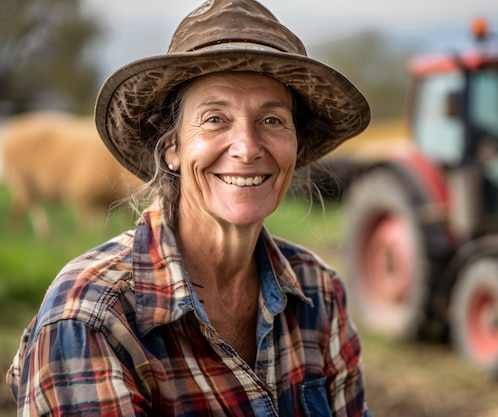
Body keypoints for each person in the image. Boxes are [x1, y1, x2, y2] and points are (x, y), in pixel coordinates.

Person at [6, 1, 372, 416]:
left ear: (295, 144)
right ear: (172, 147)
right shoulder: (90, 316)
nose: (248, 148)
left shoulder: (319, 293)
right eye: (215, 119)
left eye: (272, 120)